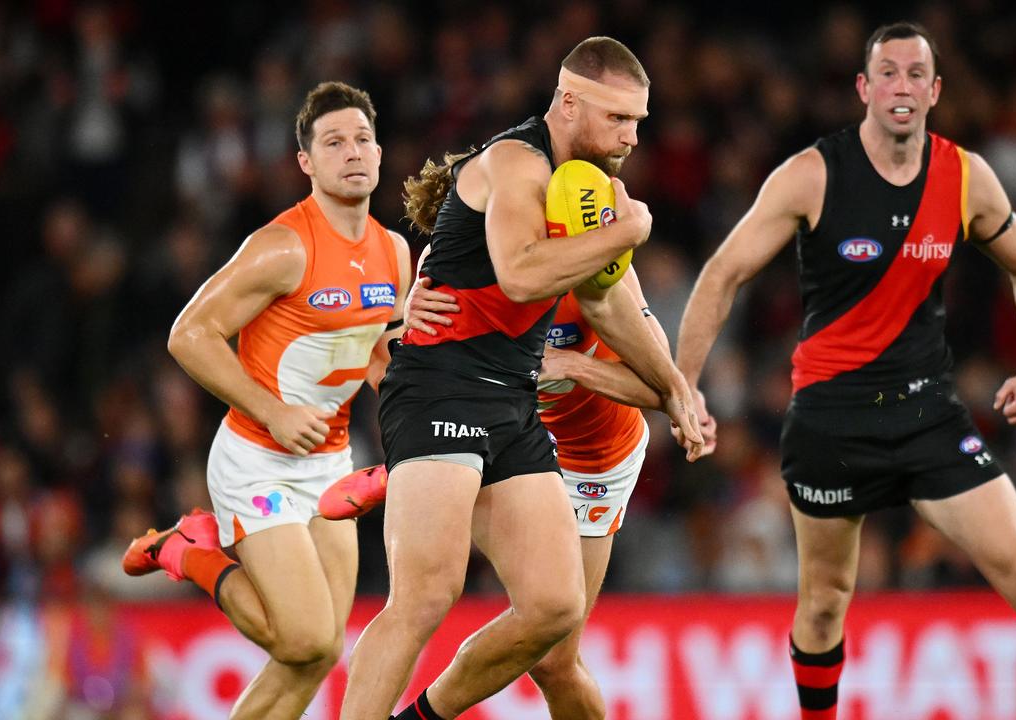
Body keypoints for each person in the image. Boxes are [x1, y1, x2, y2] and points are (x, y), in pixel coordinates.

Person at [675, 22, 1016, 720]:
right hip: (831, 417)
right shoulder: (812, 174)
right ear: (863, 88)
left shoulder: (965, 175)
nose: (902, 86)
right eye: (888, 72)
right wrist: (684, 385)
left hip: (927, 413)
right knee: (824, 604)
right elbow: (722, 273)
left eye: (917, 73)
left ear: (936, 90)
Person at [338, 36, 702, 720]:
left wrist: (676, 388)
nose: (630, 138)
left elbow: (604, 301)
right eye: (618, 119)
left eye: (638, 122)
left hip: (508, 401)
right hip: (442, 386)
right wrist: (626, 233)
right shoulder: (516, 162)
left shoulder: (585, 187)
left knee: (554, 609)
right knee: (425, 594)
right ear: (568, 101)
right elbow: (522, 272)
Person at [121, 81, 411, 720]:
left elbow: (376, 356)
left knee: (317, 654)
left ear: (382, 153)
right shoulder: (283, 246)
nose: (353, 152)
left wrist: (423, 426)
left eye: (363, 139)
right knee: (305, 636)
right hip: (258, 459)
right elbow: (187, 335)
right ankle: (190, 551)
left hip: (330, 465)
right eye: (334, 143)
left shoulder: (395, 252)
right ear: (306, 162)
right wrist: (274, 411)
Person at [326, 263, 717, 719]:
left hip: (594, 460)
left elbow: (660, 387)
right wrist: (414, 433)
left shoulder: (595, 273)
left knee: (555, 663)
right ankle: (423, 470)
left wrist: (574, 365)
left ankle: (420, 476)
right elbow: (388, 355)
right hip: (507, 439)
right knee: (424, 596)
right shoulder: (468, 253)